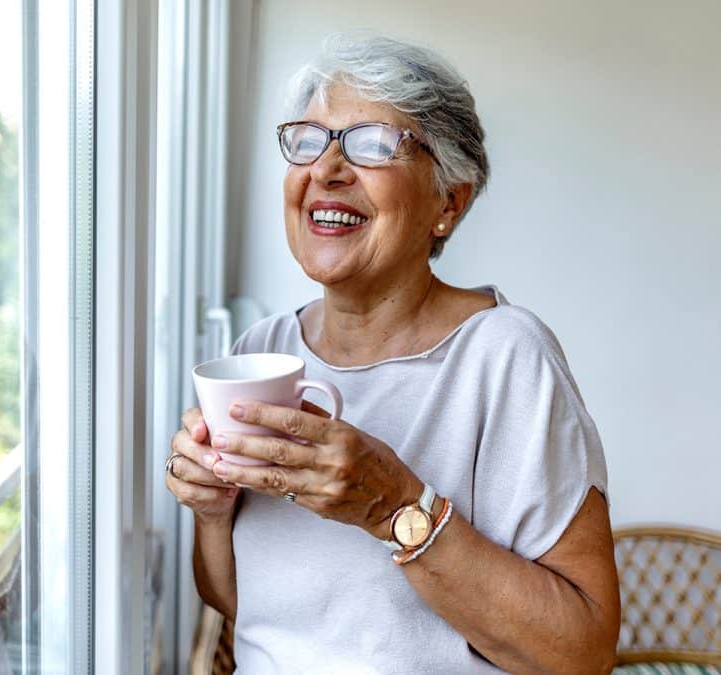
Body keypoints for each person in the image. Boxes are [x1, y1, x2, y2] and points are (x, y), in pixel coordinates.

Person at [165, 33, 620, 674]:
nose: (327, 170)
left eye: (373, 144)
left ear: (449, 202)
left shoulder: (505, 356)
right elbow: (240, 602)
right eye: (310, 140)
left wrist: (397, 506)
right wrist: (213, 513)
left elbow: (582, 652)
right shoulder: (261, 352)